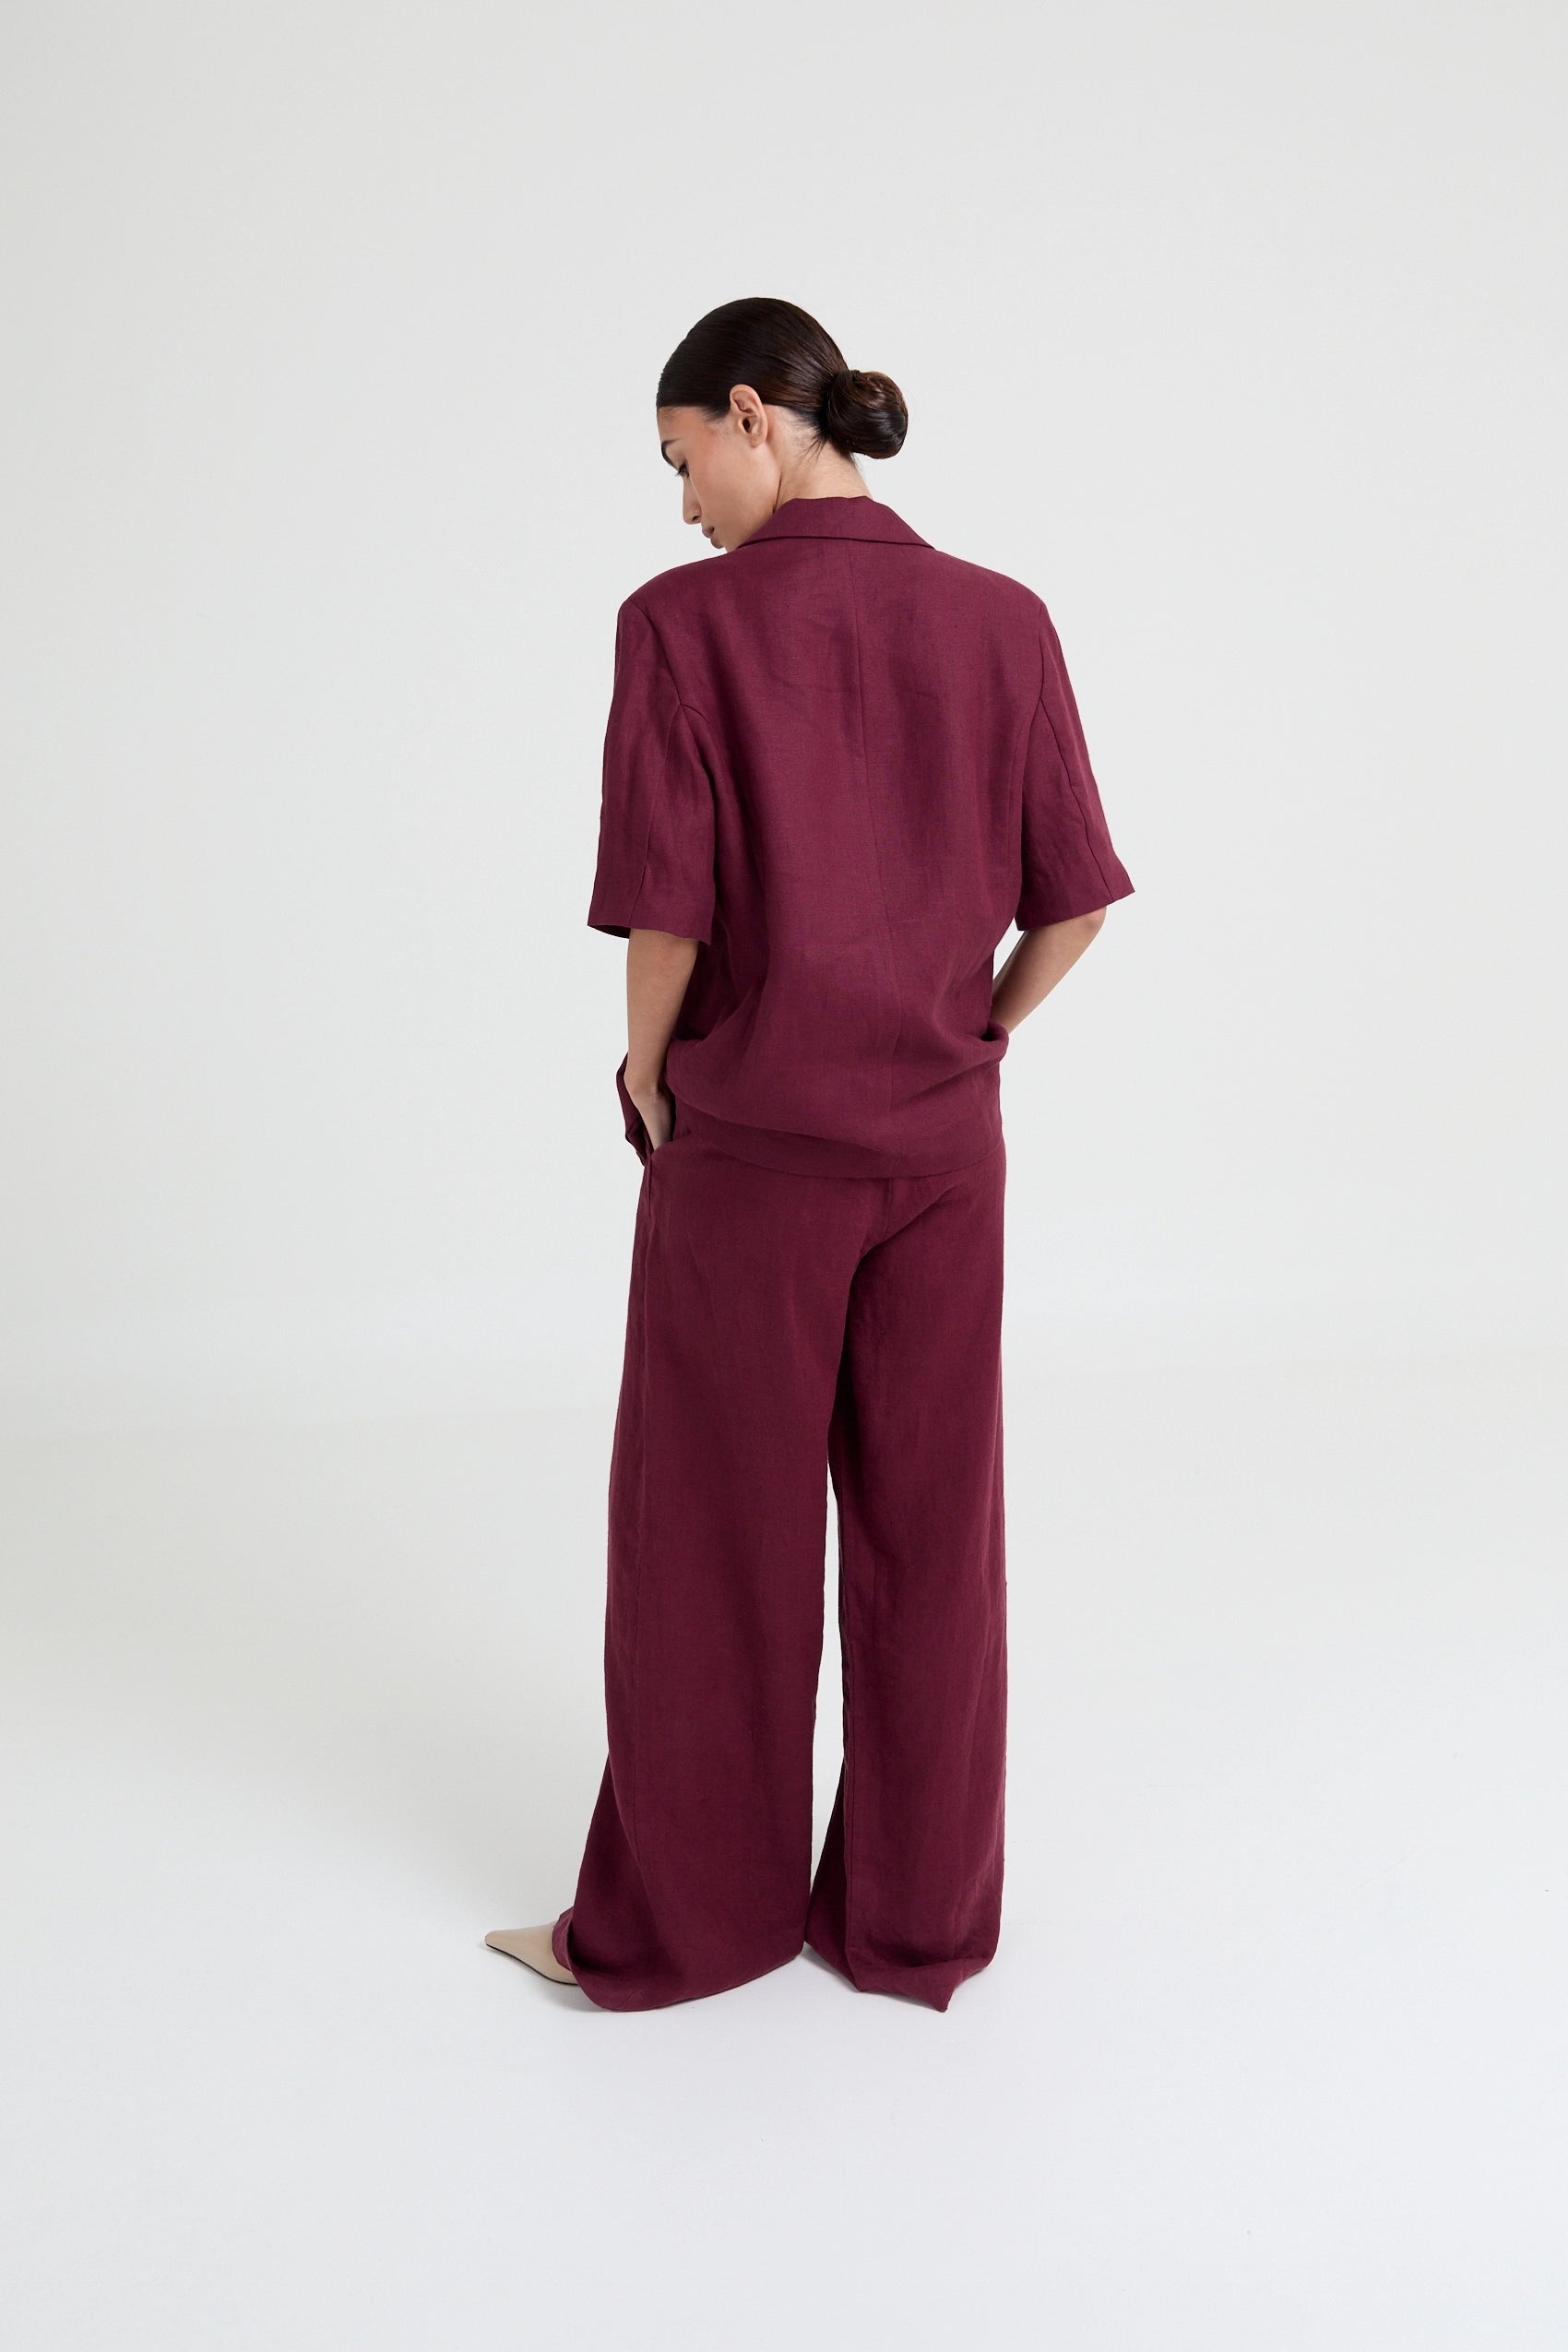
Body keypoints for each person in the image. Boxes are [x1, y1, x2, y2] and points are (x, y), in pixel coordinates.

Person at [486, 296, 1134, 2012]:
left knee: (710, 1540)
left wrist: (646, 1070)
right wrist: (975, 1034)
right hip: (943, 1158)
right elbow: (1075, 902)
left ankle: (688, 1925)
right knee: (935, 1538)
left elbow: (670, 911)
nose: (683, 503)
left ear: (754, 416)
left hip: (751, 1157)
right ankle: (915, 1925)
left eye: (682, 458)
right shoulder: (1004, 618)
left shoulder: (679, 626)